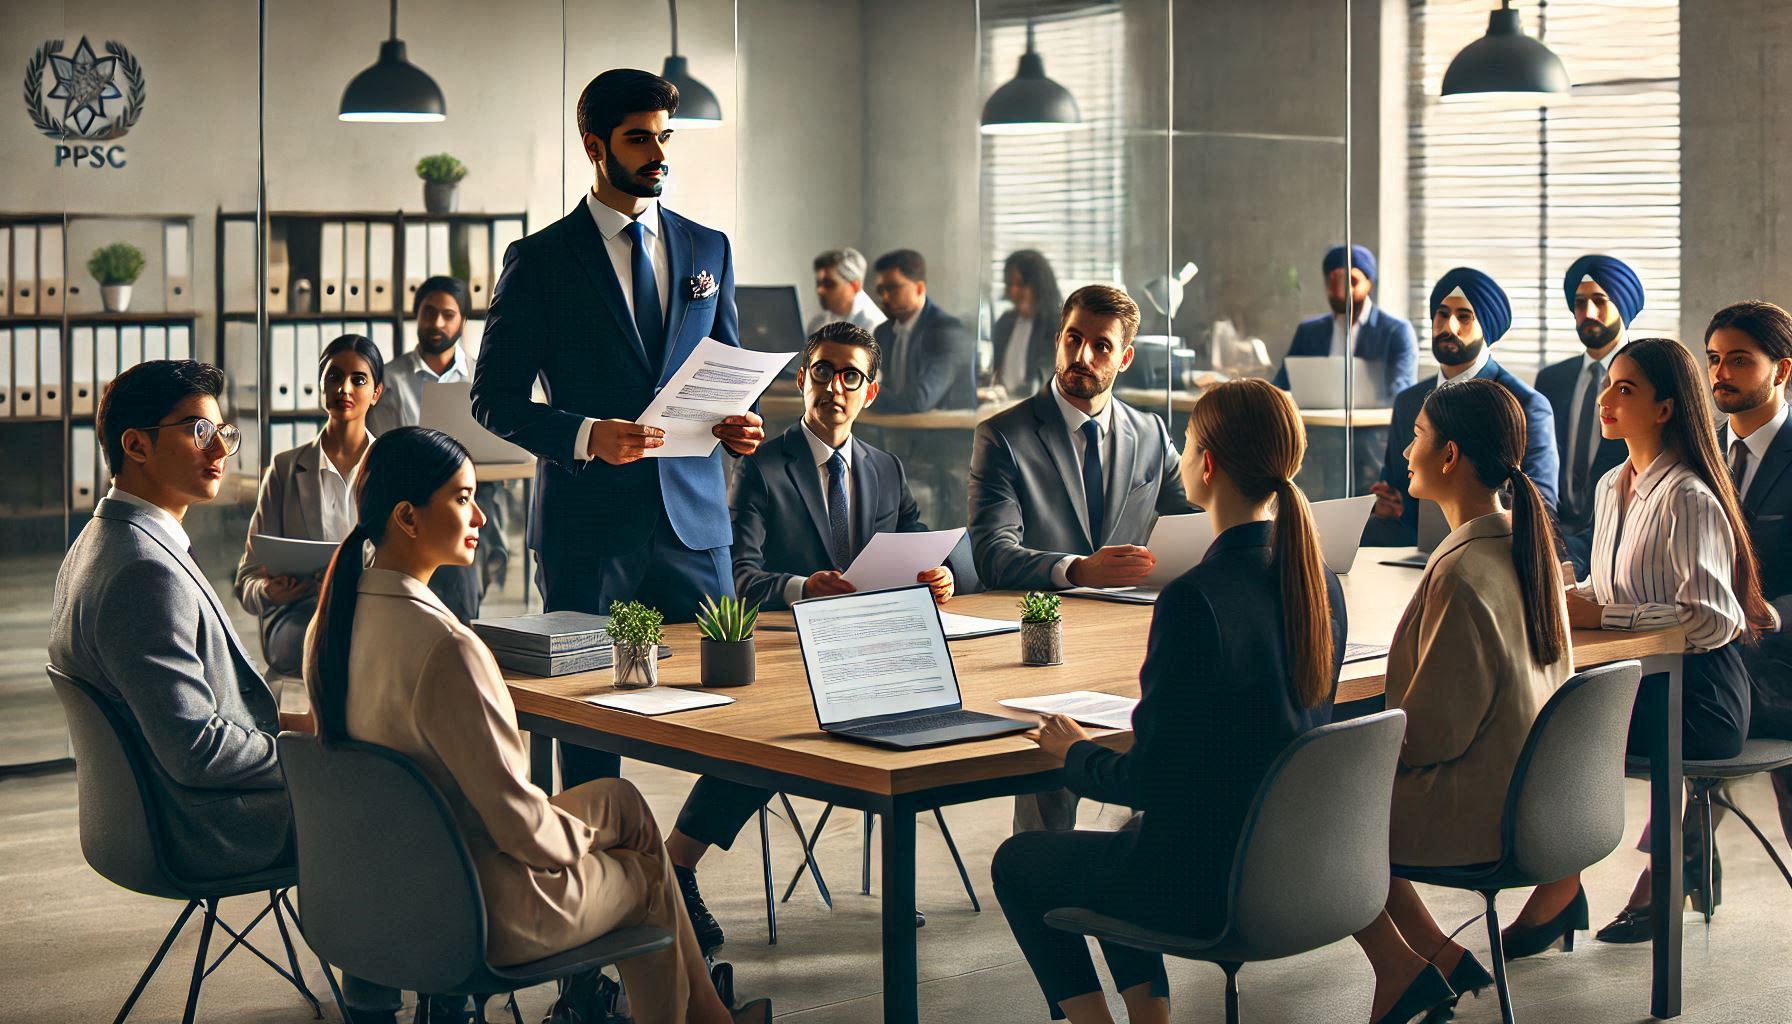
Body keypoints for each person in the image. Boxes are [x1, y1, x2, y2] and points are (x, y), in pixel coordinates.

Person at [302, 427, 767, 1024]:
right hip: (478, 909)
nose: (482, 517)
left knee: (622, 801)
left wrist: (582, 827)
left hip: (377, 895)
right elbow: (520, 829)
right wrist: (586, 841)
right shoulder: (448, 649)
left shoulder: (330, 628)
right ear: (408, 518)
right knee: (647, 875)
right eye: (463, 497)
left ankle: (709, 1020)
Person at [991, 378, 1345, 1024]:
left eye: (1186, 444)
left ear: (1206, 466)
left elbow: (1150, 779)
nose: (1180, 454)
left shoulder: (1194, 600)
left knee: (1021, 861)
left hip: (1205, 884)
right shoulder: (1316, 583)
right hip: (1291, 867)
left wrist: (1076, 755)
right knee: (1126, 843)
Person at [472, 68, 765, 788]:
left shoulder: (709, 250)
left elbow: (721, 366)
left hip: (697, 526)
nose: (657, 153)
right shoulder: (539, 261)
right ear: (594, 143)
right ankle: (599, 882)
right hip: (589, 529)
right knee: (589, 723)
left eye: (664, 138)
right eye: (639, 140)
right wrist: (583, 435)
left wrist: (740, 425)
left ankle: (682, 866)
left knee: (742, 721)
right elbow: (493, 398)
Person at [665, 321, 956, 949]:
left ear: (869, 392)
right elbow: (737, 577)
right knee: (770, 739)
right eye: (823, 371)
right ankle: (677, 864)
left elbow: (921, 545)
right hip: (789, 649)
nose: (835, 386)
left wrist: (939, 579)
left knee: (921, 717)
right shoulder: (764, 467)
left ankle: (895, 880)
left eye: (850, 375)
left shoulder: (886, 469)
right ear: (802, 379)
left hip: (871, 650)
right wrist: (802, 587)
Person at [1507, 337, 1774, 952]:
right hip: (1637, 681)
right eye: (1609, 386)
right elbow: (1608, 585)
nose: (1605, 398)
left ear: (1664, 409)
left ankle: (1558, 888)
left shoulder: (1690, 496)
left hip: (1700, 697)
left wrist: (1608, 613)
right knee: (1536, 710)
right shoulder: (1610, 486)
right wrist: (1571, 594)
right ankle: (1560, 882)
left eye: (1625, 389)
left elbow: (1712, 620)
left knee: (1556, 727)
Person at [1350, 379, 1573, 1024]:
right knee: (1339, 793)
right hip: (1527, 793)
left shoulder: (1463, 571)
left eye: (1416, 437)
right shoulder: (1526, 548)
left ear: (1449, 456)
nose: (1405, 451)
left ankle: (1406, 973)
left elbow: (1431, 737)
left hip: (1479, 808)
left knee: (1323, 807)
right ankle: (1435, 958)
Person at [49, 360, 295, 883]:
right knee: (404, 802)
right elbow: (195, 750)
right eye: (198, 431)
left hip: (163, 815)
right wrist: (301, 756)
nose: (220, 451)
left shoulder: (99, 539)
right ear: (136, 446)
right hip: (212, 826)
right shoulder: (143, 570)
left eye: (223, 433)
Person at [968, 284, 1190, 833]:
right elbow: (992, 554)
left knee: (1173, 744)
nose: (1082, 357)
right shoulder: (1004, 434)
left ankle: (1153, 867)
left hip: (1140, 635)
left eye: (1101, 346)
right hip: (1045, 641)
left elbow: (1194, 523)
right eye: (1073, 339)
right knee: (1053, 785)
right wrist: (1076, 569)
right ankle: (1041, 874)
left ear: (1126, 357)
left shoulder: (1152, 433)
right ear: (1058, 339)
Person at [1693, 301, 1792, 911]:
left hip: (1778, 656)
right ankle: (1674, 869)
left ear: (1782, 371)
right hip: (1714, 651)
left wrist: (1757, 620)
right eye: (1712, 359)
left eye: (1737, 360)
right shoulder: (1699, 452)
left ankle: (1670, 873)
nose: (1719, 373)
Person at [1365, 267, 1558, 546]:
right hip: (1410, 553)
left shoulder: (1524, 404)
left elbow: (1542, 510)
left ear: (1486, 326)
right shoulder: (1408, 401)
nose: (1448, 327)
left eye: (1463, 317)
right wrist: (1388, 506)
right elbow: (1398, 494)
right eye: (1442, 314)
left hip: (1489, 550)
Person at [235, 335, 383, 675]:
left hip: (371, 609)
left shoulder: (392, 469)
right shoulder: (285, 469)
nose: (344, 388)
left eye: (358, 379)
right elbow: (247, 580)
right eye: (334, 376)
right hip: (298, 615)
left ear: (376, 393)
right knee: (330, 644)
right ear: (320, 386)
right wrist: (270, 592)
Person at [363, 277, 492, 616]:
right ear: (416, 316)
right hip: (411, 501)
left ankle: (460, 630)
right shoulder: (388, 381)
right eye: (428, 312)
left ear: (462, 321)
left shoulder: (484, 379)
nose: (436, 323)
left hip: (475, 490)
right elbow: (381, 452)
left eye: (447, 315)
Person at [1536, 255, 1641, 575]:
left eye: (1600, 300)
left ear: (1623, 304)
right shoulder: (1552, 379)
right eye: (1580, 303)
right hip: (1551, 531)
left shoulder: (1649, 377)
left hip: (1619, 536)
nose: (1588, 313)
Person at [1270, 243, 1417, 400]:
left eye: (1352, 281)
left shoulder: (1395, 332)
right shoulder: (1308, 332)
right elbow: (1280, 387)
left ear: (1370, 285)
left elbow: (1401, 395)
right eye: (1334, 282)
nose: (1342, 291)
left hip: (1374, 424)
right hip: (1313, 423)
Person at [868, 248, 976, 413]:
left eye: (892, 288)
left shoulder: (947, 332)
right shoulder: (883, 332)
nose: (885, 297)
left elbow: (918, 401)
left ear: (919, 288)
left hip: (940, 435)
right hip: (895, 432)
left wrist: (860, 391)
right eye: (881, 290)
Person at [984, 249, 1062, 400]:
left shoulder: (1056, 325)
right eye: (1010, 284)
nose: (1013, 291)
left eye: (1020, 284)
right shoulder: (1005, 322)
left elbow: (1042, 380)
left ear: (1039, 286)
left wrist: (1010, 395)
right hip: (1000, 408)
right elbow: (993, 372)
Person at [805, 247, 885, 335]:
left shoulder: (873, 327)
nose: (819, 290)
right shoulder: (817, 323)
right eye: (818, 283)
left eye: (829, 284)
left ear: (855, 286)